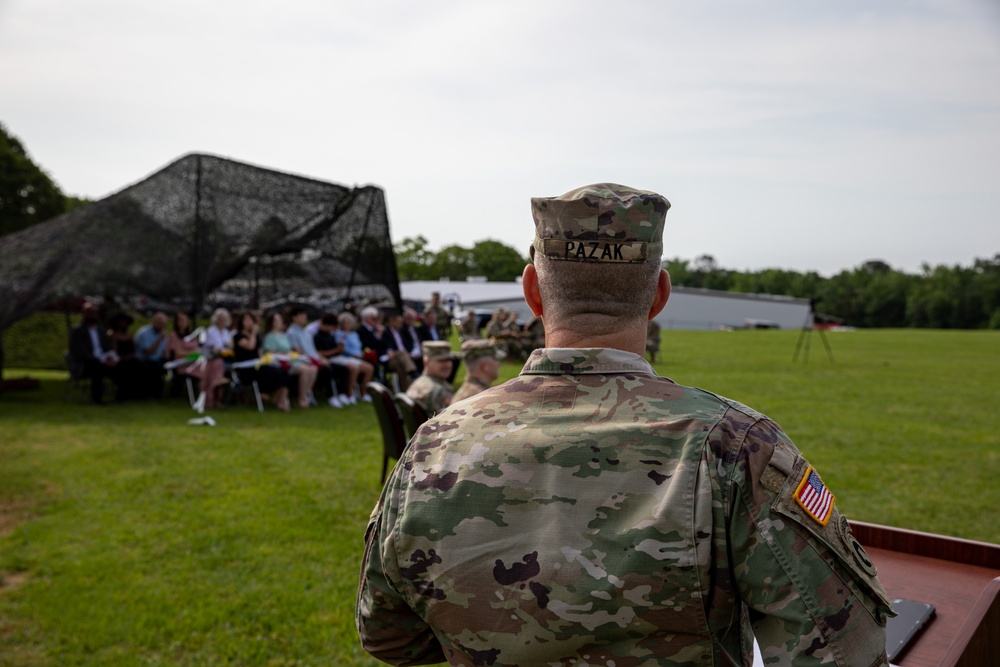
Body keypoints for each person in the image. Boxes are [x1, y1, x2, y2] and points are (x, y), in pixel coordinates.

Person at [358, 184, 894, 666]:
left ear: (533, 293)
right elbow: (844, 648)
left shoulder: (433, 444)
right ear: (659, 294)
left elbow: (389, 637)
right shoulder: (735, 448)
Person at [232, 311, 291, 411]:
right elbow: (250, 346)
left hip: (258, 365)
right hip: (246, 369)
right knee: (274, 373)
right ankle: (268, 396)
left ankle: (280, 399)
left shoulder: (257, 338)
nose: (249, 323)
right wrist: (253, 333)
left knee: (282, 372)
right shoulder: (238, 337)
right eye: (246, 320)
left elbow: (259, 354)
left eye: (251, 320)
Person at [262, 311, 318, 409]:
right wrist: (285, 354)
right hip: (280, 362)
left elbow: (289, 349)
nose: (279, 322)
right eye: (276, 320)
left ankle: (305, 395)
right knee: (305, 370)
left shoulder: (283, 335)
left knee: (313, 368)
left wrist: (291, 354)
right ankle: (300, 398)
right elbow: (270, 353)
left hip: (290, 359)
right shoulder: (269, 337)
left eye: (280, 320)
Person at [67, 301, 120, 404]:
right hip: (85, 364)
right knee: (97, 368)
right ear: (84, 314)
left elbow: (106, 348)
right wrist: (101, 360)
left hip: (103, 361)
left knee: (121, 366)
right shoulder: (77, 331)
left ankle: (121, 396)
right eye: (90, 312)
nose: (93, 314)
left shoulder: (101, 331)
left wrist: (110, 359)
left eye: (95, 312)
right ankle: (97, 399)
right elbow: (80, 353)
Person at [402, 340, 454, 416]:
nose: (447, 365)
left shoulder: (418, 383)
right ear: (426, 362)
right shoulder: (438, 392)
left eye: (448, 360)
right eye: (441, 361)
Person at [333, 311, 374, 402]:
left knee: (369, 368)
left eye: (349, 323)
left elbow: (358, 346)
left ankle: (364, 393)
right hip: (347, 357)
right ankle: (350, 393)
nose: (347, 325)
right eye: (345, 323)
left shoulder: (354, 334)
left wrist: (360, 354)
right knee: (354, 368)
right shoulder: (339, 334)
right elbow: (342, 348)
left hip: (357, 357)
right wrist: (353, 354)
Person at [451, 338, 504, 403]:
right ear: (484, 366)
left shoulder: (471, 392)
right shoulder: (482, 399)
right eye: (495, 359)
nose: (499, 364)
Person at [133, 311, 169, 399]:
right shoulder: (143, 333)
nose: (162, 327)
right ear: (154, 322)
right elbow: (149, 352)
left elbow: (164, 351)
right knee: (155, 368)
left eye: (164, 324)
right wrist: (159, 339)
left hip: (158, 360)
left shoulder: (162, 334)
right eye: (160, 324)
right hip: (144, 360)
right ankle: (151, 395)